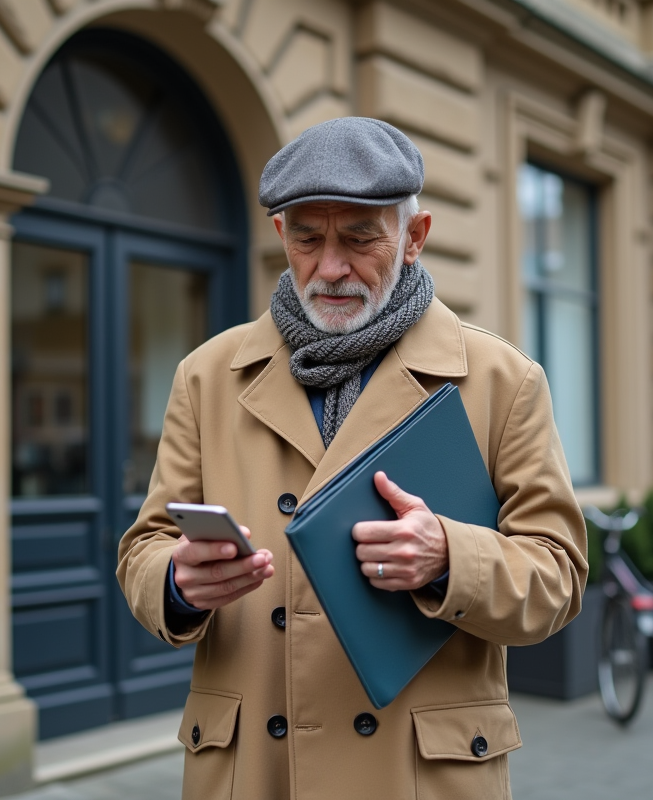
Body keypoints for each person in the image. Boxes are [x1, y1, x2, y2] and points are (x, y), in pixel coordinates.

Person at [117, 117, 587, 799]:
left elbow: (561, 575)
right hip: (254, 773)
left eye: (361, 238)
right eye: (307, 238)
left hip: (417, 775)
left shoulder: (501, 380)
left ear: (414, 238)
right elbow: (143, 549)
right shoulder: (205, 375)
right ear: (281, 236)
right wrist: (176, 583)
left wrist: (451, 558)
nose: (331, 267)